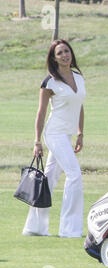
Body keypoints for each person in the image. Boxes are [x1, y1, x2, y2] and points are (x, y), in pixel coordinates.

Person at [22, 39, 86, 238]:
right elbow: (41, 113)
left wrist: (80, 133)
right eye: (60, 53)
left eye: (67, 51)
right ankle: (69, 230)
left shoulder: (79, 77)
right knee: (74, 174)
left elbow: (79, 105)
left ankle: (34, 227)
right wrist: (37, 141)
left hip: (67, 135)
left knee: (48, 180)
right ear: (53, 58)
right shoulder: (49, 81)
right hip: (54, 133)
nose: (65, 55)